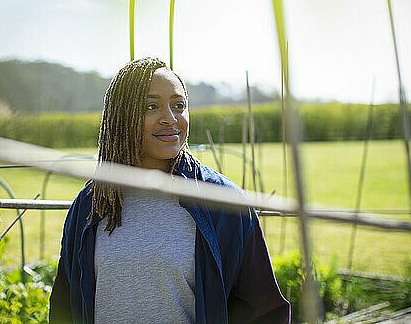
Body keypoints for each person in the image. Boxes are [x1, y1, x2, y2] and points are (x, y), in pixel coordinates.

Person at [49, 58, 290, 323]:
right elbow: (64, 308)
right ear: (120, 117)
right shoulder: (91, 204)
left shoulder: (223, 202)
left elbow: (265, 312)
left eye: (179, 105)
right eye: (151, 107)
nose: (170, 118)